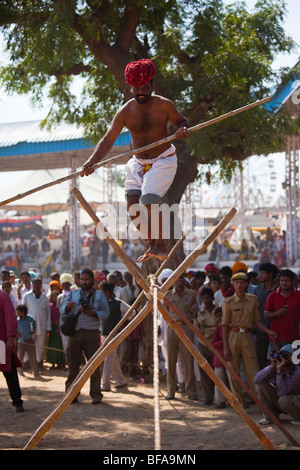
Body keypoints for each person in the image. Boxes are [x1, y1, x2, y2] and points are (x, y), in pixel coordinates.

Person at [81, 58, 189, 262]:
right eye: (136, 88)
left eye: (145, 87)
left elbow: (181, 121)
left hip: (162, 160)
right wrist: (92, 161)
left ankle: (162, 245)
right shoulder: (125, 111)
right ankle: (152, 244)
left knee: (148, 199)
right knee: (132, 206)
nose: (141, 92)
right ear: (130, 88)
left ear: (152, 85)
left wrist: (182, 129)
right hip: (137, 162)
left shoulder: (165, 105)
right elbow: (108, 139)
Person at [222, 272, 277, 407]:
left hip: (247, 336)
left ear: (247, 284)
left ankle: (260, 402)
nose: (239, 285)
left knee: (253, 370)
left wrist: (268, 331)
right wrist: (225, 347)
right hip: (233, 336)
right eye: (236, 283)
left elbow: (256, 321)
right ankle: (239, 403)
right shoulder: (227, 302)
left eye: (242, 283)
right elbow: (224, 325)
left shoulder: (253, 299)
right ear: (233, 284)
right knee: (234, 370)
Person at [60, 268, 110, 404]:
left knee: (94, 365)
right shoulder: (73, 293)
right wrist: (67, 307)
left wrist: (92, 313)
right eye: (81, 279)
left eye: (87, 279)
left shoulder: (99, 295)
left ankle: (95, 394)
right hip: (74, 334)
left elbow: (106, 312)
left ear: (92, 280)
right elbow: (61, 308)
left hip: (92, 333)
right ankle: (71, 394)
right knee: (73, 365)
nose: (84, 282)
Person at [164, 273, 199, 401]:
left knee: (188, 360)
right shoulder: (167, 295)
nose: (180, 280)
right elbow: (165, 313)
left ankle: (191, 391)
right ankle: (171, 391)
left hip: (186, 328)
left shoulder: (191, 294)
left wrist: (194, 312)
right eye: (177, 278)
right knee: (171, 360)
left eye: (182, 278)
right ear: (173, 280)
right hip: (172, 328)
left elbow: (196, 311)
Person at [254, 344, 300, 425]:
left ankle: (298, 418)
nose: (284, 358)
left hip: (294, 403)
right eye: (282, 355)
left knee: (284, 400)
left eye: (287, 355)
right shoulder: (277, 366)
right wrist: (272, 366)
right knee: (261, 385)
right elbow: (256, 380)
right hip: (283, 403)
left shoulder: (297, 371)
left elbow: (283, 393)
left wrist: (279, 373)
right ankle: (270, 417)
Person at [264, 269, 300, 356]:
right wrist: (277, 313)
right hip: (276, 337)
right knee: (276, 365)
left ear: (292, 282)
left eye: (286, 281)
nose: (283, 283)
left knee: (294, 365)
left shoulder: (299, 295)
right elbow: (266, 316)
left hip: (294, 338)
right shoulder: (272, 295)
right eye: (282, 280)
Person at [100, 282, 128, 391]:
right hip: (104, 334)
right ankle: (121, 380)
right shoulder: (102, 303)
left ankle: (105, 384)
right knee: (113, 358)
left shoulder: (118, 303)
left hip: (114, 334)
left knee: (108, 358)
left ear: (107, 291)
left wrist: (121, 321)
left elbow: (132, 312)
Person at [0, 290, 24, 412]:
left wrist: (10, 338)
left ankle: (17, 401)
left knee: (9, 372)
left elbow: (10, 317)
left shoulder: (2, 295)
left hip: (2, 342)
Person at [194, 287, 219, 405]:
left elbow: (219, 327)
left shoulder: (219, 311)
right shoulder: (200, 313)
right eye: (203, 298)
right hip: (203, 343)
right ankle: (208, 398)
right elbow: (198, 329)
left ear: (212, 298)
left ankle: (220, 399)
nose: (206, 300)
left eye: (208, 298)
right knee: (204, 371)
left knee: (218, 372)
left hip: (216, 345)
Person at [22, 276, 51, 369]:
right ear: (32, 284)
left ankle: (38, 362)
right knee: (27, 345)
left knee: (40, 346)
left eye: (39, 283)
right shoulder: (27, 296)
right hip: (28, 326)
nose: (37, 285)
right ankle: (26, 362)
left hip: (41, 326)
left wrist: (48, 327)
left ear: (41, 285)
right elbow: (22, 311)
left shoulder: (45, 298)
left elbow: (48, 314)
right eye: (35, 283)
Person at [254, 263, 279, 369]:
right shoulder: (258, 289)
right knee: (260, 362)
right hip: (261, 331)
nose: (261, 275)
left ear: (270, 274)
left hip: (276, 331)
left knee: (276, 361)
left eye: (263, 273)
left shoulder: (279, 289)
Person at [211, 307, 231, 409]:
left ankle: (234, 399)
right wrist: (222, 343)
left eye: (221, 315)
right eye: (217, 316)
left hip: (229, 357)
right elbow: (213, 342)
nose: (219, 318)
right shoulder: (217, 329)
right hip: (219, 357)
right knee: (219, 379)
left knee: (232, 380)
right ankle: (220, 400)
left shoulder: (230, 328)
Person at [16, 304, 40, 378]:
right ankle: (20, 371)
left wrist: (33, 330)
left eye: (18, 311)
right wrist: (17, 334)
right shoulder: (17, 320)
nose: (17, 312)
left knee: (32, 357)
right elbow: (15, 327)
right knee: (20, 357)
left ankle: (35, 372)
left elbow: (34, 323)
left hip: (29, 340)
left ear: (22, 312)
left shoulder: (30, 318)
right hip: (21, 341)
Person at [47, 291, 65, 369]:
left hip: (60, 327)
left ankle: (61, 363)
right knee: (53, 345)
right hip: (52, 328)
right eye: (53, 296)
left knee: (60, 345)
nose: (54, 298)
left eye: (56, 297)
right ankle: (53, 363)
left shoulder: (60, 306)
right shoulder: (49, 306)